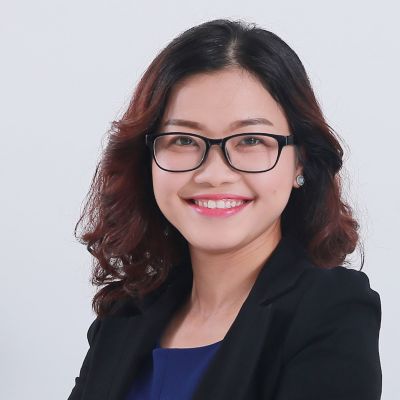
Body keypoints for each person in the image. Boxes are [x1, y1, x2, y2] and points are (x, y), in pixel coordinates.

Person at [67, 18, 382, 400]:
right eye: (183, 139)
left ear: (300, 162)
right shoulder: (123, 315)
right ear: (147, 158)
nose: (214, 174)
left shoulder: (331, 311)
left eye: (250, 139)